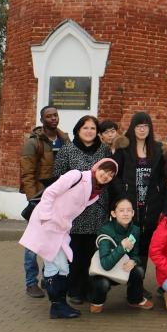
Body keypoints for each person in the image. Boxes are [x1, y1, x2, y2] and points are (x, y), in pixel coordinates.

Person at [19, 157, 118, 319]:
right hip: (47, 223)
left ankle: (59, 304)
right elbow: (50, 192)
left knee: (63, 267)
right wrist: (46, 218)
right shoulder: (76, 176)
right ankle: (57, 305)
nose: (106, 176)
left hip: (61, 229)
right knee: (55, 266)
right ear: (96, 168)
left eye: (111, 175)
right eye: (104, 171)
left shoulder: (95, 193)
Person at [53, 115, 112, 304]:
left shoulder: (104, 150)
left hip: (98, 210)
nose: (89, 131)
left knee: (92, 252)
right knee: (75, 252)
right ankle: (74, 289)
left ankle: (89, 288)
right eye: (85, 128)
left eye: (93, 128)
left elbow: (111, 176)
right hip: (75, 213)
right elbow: (58, 178)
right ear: (78, 130)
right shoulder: (67, 150)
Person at [20, 105, 69, 298]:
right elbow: (27, 175)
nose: (53, 118)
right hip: (40, 198)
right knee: (33, 243)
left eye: (55, 115)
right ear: (42, 120)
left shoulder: (65, 140)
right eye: (49, 116)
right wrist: (34, 201)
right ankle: (31, 283)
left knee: (54, 241)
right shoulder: (33, 143)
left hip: (60, 198)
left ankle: (46, 277)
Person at [112, 112, 167, 270]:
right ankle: (126, 276)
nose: (142, 129)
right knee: (129, 240)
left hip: (151, 204)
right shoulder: (124, 148)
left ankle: (139, 277)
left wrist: (160, 197)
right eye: (138, 126)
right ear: (133, 128)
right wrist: (122, 194)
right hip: (129, 203)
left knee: (145, 241)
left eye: (145, 126)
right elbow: (115, 175)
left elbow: (163, 178)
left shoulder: (158, 149)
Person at [89, 197, 154, 313]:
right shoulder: (105, 230)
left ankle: (135, 299)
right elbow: (105, 265)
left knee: (139, 271)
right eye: (121, 210)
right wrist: (122, 247)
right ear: (114, 213)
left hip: (122, 269)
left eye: (129, 210)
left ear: (133, 213)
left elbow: (135, 254)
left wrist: (133, 261)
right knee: (102, 283)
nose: (125, 214)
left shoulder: (135, 230)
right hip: (104, 272)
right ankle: (97, 301)